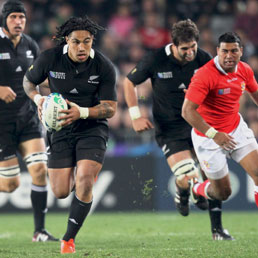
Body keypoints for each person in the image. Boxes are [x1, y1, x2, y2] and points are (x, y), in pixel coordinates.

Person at [124, 19, 234, 240]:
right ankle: (183, 191)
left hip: (199, 125)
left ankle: (217, 230)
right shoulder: (155, 59)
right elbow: (129, 82)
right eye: (185, 49)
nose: (190, 52)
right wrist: (136, 116)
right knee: (189, 176)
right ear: (173, 45)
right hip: (170, 129)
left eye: (193, 46)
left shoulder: (204, 59)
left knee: (211, 175)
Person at [23, 15, 117, 254]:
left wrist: (82, 112)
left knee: (85, 180)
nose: (82, 47)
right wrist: (38, 98)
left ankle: (68, 239)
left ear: (93, 40)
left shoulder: (103, 66)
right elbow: (28, 81)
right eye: (76, 42)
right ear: (67, 40)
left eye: (87, 41)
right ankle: (80, 183)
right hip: (59, 129)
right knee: (61, 191)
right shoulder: (50, 58)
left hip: (92, 127)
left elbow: (110, 107)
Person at [0, 0, 58, 242]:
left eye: (21, 18)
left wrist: (58, 89)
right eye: (13, 17)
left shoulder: (30, 45)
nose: (18, 22)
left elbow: (39, 79)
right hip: (2, 125)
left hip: (27, 120)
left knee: (39, 170)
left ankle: (39, 231)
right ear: (4, 19)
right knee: (11, 185)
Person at [182, 32, 258, 211]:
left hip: (236, 129)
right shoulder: (205, 75)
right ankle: (197, 187)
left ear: (241, 51)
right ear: (217, 51)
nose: (229, 56)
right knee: (223, 193)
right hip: (208, 137)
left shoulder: (245, 70)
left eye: (233, 51)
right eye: (224, 51)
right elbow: (187, 111)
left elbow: (255, 93)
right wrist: (214, 135)